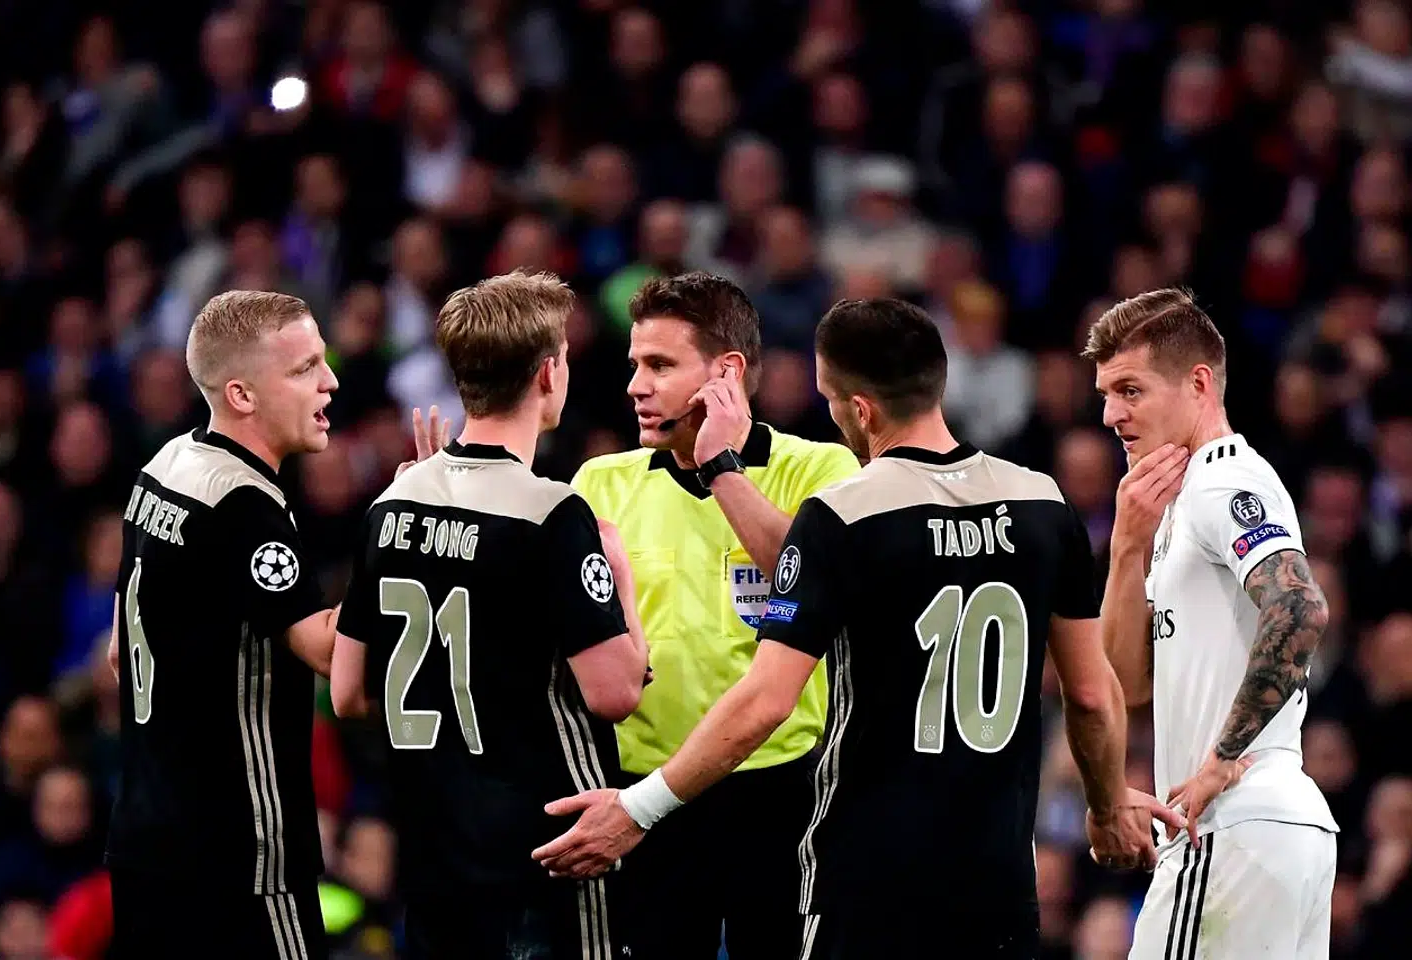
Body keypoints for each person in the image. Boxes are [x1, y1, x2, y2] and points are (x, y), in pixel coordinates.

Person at [534, 297, 1181, 958]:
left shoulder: (843, 516)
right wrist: (1107, 808)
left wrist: (640, 807)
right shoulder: (1043, 502)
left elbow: (767, 699)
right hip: (998, 877)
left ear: (860, 410)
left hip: (869, 874)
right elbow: (1093, 694)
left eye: (830, 399)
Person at [328, 271, 651, 960]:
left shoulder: (391, 503)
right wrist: (622, 582)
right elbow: (617, 692)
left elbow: (348, 692)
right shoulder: (551, 512)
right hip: (547, 854)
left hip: (430, 853)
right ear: (548, 373)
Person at [568, 271, 860, 959]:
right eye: (635, 365)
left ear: (726, 372)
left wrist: (720, 466)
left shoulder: (821, 470)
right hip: (644, 795)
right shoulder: (599, 483)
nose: (636, 386)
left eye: (660, 366)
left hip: (782, 793)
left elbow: (810, 576)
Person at [1085, 288, 1339, 959]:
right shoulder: (1178, 504)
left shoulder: (1222, 481)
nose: (1111, 414)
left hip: (1230, 829)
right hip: (1274, 835)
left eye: (1131, 391)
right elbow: (1126, 683)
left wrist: (1222, 758)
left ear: (1198, 384)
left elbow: (1301, 607)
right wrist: (1127, 548)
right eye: (1106, 394)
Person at [105, 291, 342, 960]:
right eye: (304, 368)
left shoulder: (165, 466)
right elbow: (327, 650)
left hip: (145, 840)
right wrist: (398, 547)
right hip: (240, 856)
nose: (329, 381)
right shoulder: (243, 504)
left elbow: (120, 651)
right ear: (242, 394)